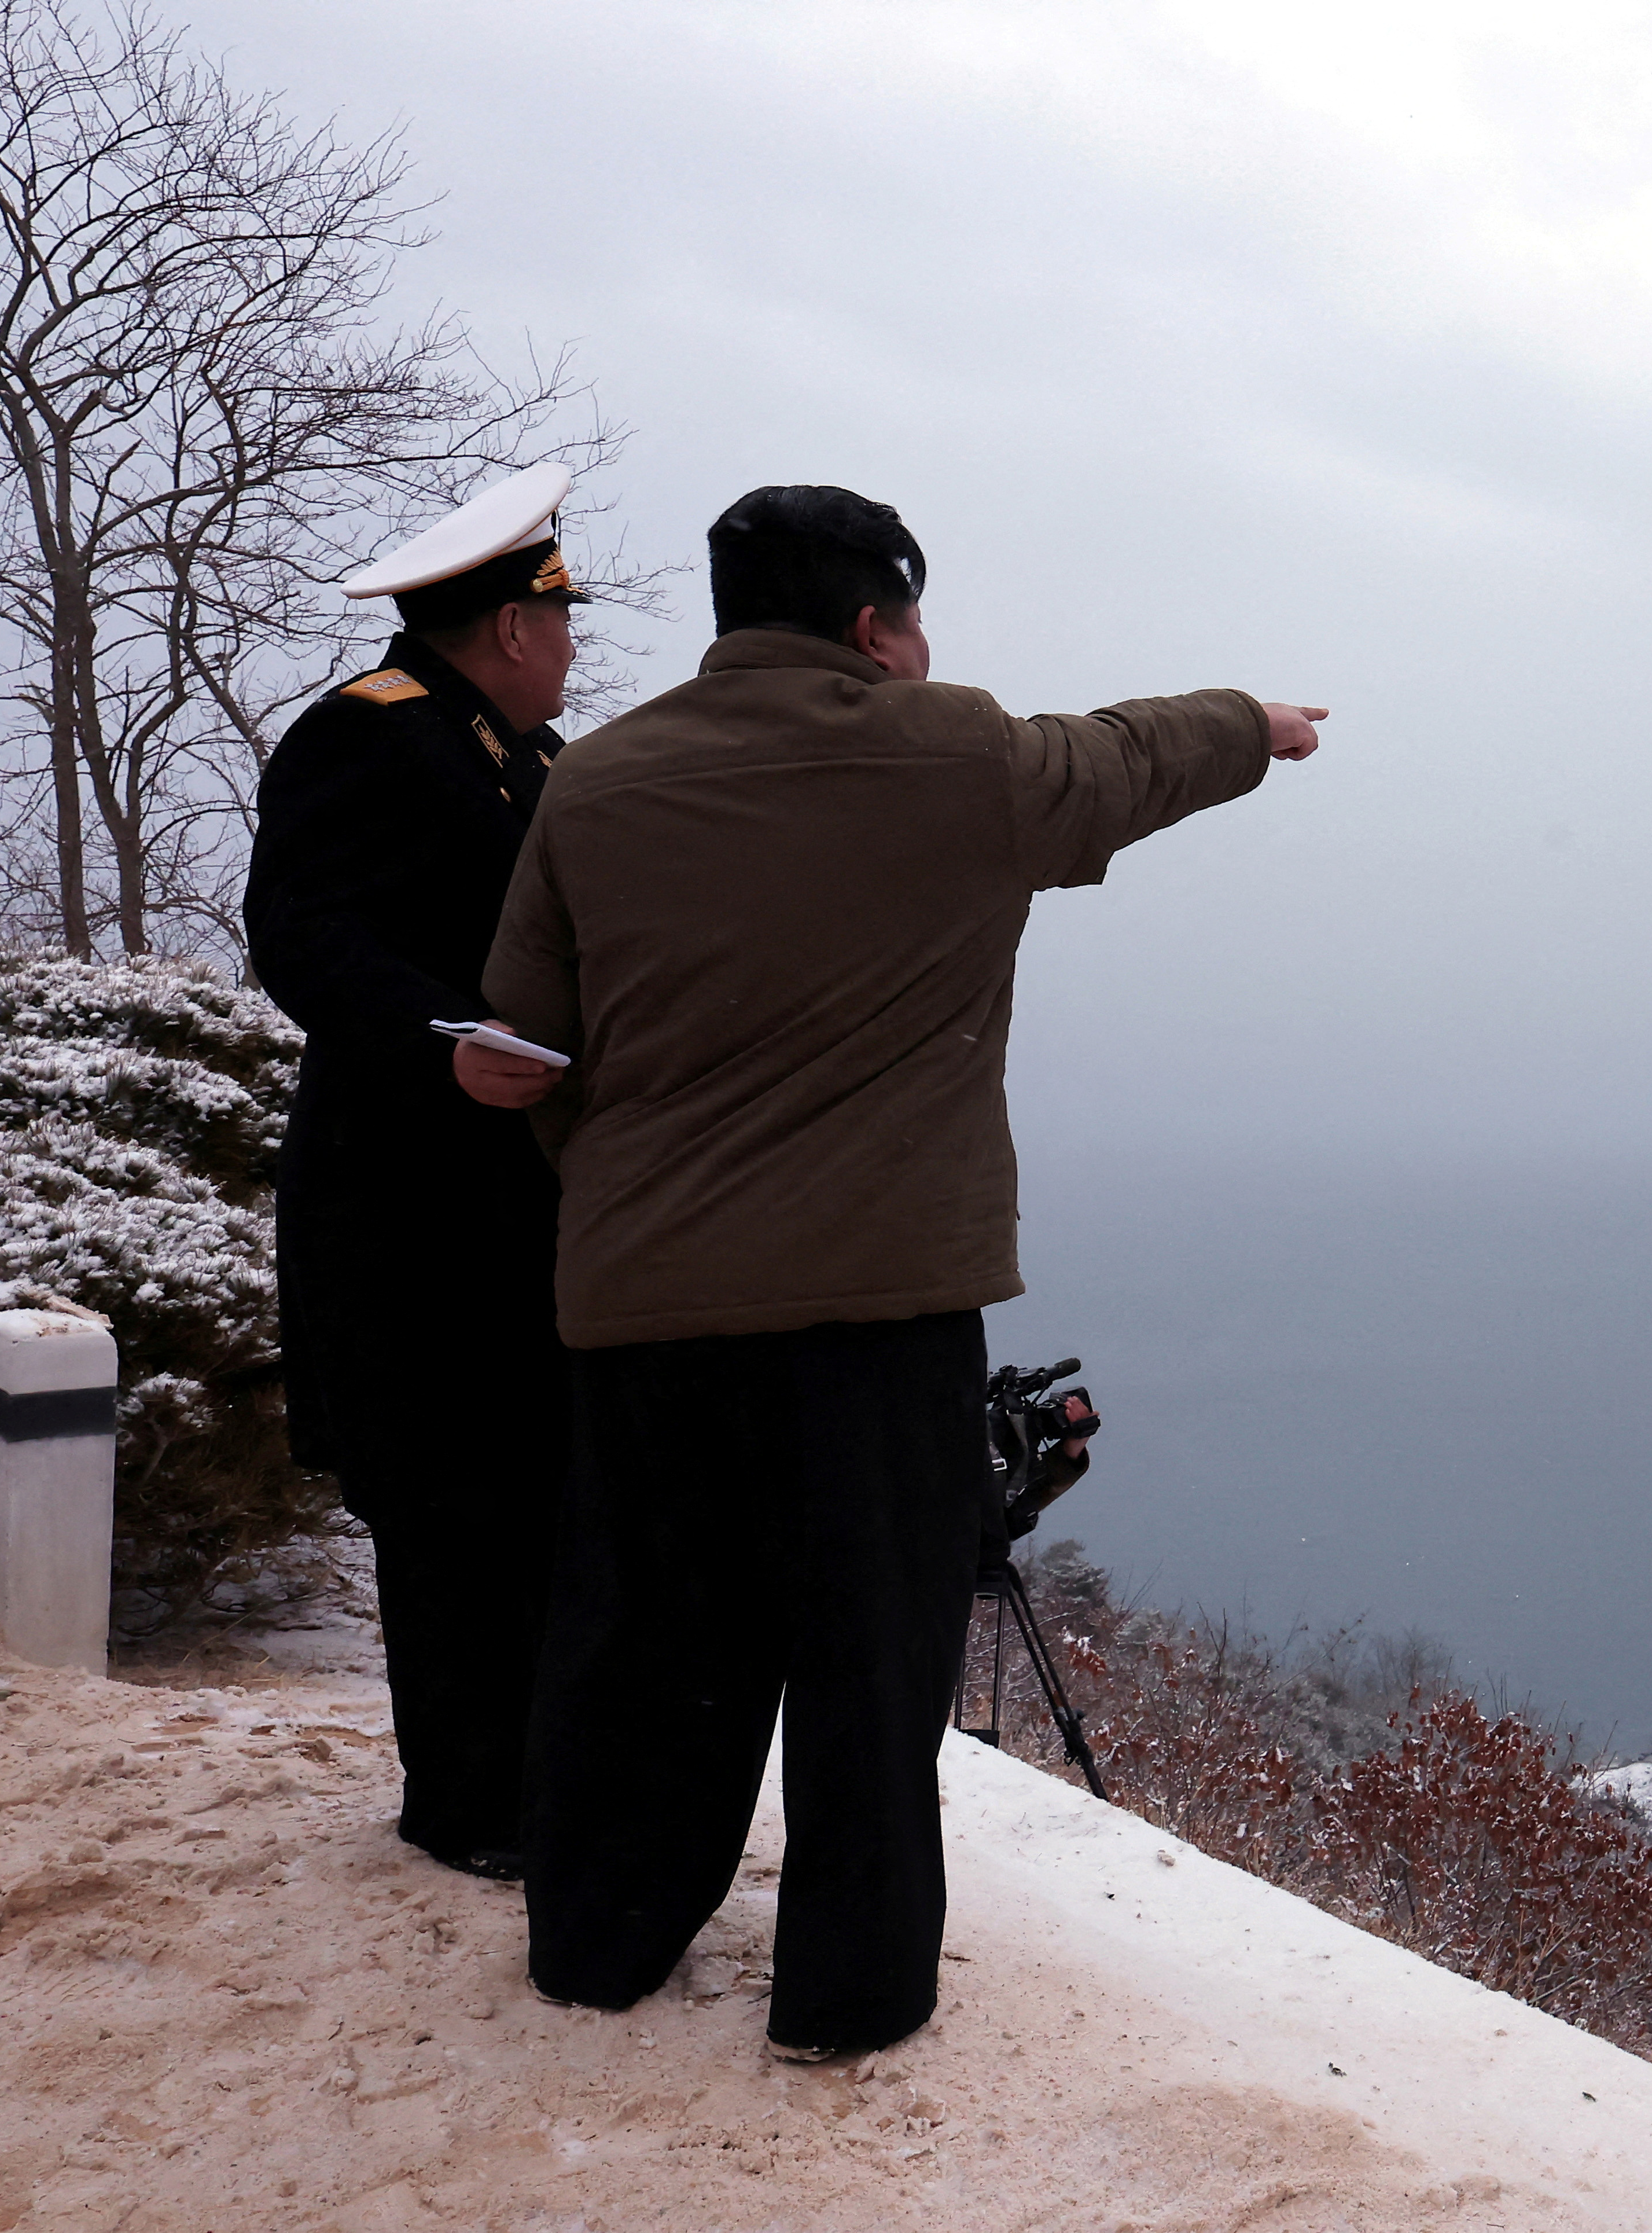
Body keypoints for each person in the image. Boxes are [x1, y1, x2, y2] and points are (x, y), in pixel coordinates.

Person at [476, 483, 1321, 2059]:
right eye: (915, 623)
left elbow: (528, 1046)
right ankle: (848, 1997)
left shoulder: (592, 787)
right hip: (880, 1315)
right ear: (876, 626)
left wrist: (619, 1188)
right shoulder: (960, 759)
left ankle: (601, 1945)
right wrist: (1254, 724)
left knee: (652, 1638)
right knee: (869, 1656)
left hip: (648, 1307)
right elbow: (1132, 754)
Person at [243, 462, 587, 1881]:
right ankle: (466, 1809)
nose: (573, 650)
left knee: (539, 1489)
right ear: (511, 627)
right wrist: (435, 1050)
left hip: (529, 1199)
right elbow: (300, 938)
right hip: (400, 1198)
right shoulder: (363, 737)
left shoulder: (541, 765)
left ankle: (540, 1785)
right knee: (447, 1503)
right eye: (561, 623)